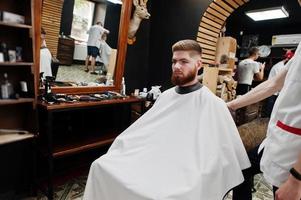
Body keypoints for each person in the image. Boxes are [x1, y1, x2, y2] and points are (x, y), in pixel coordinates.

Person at [83, 39, 250, 200]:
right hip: (153, 158)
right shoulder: (166, 97)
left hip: (185, 169)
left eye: (184, 61)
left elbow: (222, 154)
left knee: (167, 195)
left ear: (199, 65)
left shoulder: (213, 104)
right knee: (100, 166)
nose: (177, 66)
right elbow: (142, 132)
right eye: (174, 61)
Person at [228, 21, 301, 200]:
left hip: (295, 154)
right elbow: (273, 83)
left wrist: (296, 179)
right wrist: (231, 105)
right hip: (277, 139)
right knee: (241, 167)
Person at [264, 50, 294, 117]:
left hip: (275, 90)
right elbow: (279, 81)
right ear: (287, 59)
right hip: (272, 91)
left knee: (273, 108)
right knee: (270, 109)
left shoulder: (282, 66)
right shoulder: (279, 67)